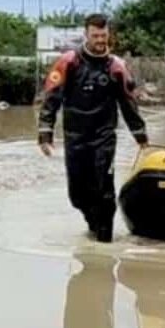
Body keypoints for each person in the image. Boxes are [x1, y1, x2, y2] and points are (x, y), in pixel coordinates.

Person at [38, 13, 149, 242]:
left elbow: (129, 103)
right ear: (86, 35)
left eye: (104, 35)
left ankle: (104, 241)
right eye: (95, 35)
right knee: (77, 195)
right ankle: (93, 223)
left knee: (103, 190)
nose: (100, 40)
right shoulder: (69, 61)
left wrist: (141, 136)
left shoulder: (117, 67)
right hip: (75, 137)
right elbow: (51, 98)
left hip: (104, 137)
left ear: (109, 35)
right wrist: (45, 133)